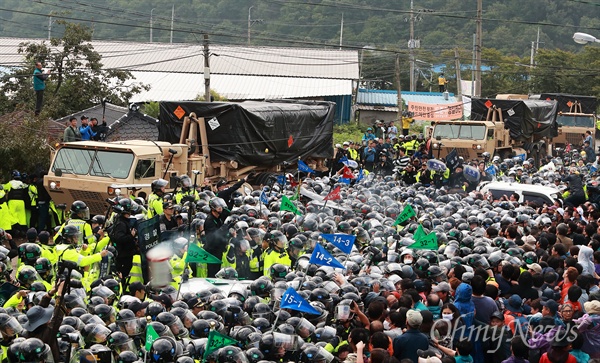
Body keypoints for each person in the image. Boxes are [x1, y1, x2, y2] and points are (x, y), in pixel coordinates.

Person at [108, 198, 137, 283]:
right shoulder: (121, 223)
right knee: (123, 275)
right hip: (123, 255)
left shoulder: (122, 220)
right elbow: (119, 238)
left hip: (125, 253)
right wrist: (131, 236)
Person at [203, 197, 230, 277]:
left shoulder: (219, 218)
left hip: (219, 249)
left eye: (221, 207)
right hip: (212, 251)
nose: (220, 209)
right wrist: (223, 228)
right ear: (213, 208)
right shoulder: (209, 220)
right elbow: (213, 237)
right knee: (213, 274)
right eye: (218, 207)